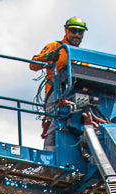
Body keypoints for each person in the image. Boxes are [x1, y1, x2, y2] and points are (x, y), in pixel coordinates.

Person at [30, 17, 88, 151]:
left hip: (75, 95)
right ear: (67, 31)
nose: (77, 35)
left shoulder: (82, 55)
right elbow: (33, 64)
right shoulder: (55, 46)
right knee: (55, 123)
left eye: (80, 32)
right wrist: (47, 57)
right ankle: (49, 154)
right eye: (74, 31)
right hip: (55, 93)